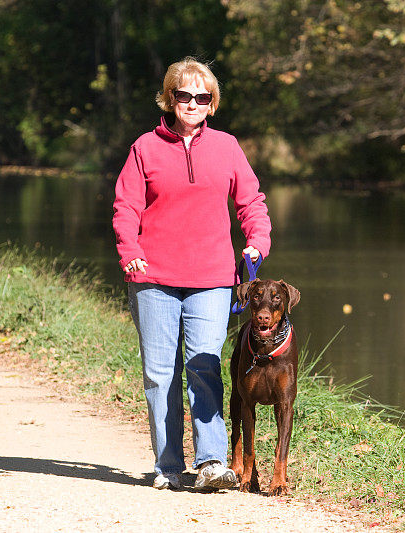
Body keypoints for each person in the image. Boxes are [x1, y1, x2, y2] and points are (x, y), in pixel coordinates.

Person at [112, 57, 272, 491]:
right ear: (169, 98)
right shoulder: (145, 148)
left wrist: (257, 240)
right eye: (183, 95)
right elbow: (126, 208)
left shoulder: (227, 147)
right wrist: (130, 252)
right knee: (160, 373)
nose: (192, 103)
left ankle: (211, 462)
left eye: (202, 97)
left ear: (212, 104)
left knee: (204, 365)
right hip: (153, 277)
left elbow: (252, 202)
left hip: (213, 278)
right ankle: (167, 467)